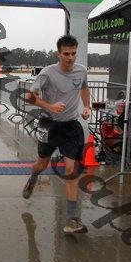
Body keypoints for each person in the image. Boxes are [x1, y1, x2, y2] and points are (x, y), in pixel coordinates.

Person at [22, 35, 91, 235]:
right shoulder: (47, 73)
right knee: (41, 164)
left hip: (71, 126)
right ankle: (33, 176)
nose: (70, 58)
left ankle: (72, 220)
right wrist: (49, 106)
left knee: (72, 170)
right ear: (58, 54)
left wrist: (87, 106)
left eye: (73, 53)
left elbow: (84, 88)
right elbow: (29, 96)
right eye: (66, 54)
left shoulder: (81, 71)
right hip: (49, 125)